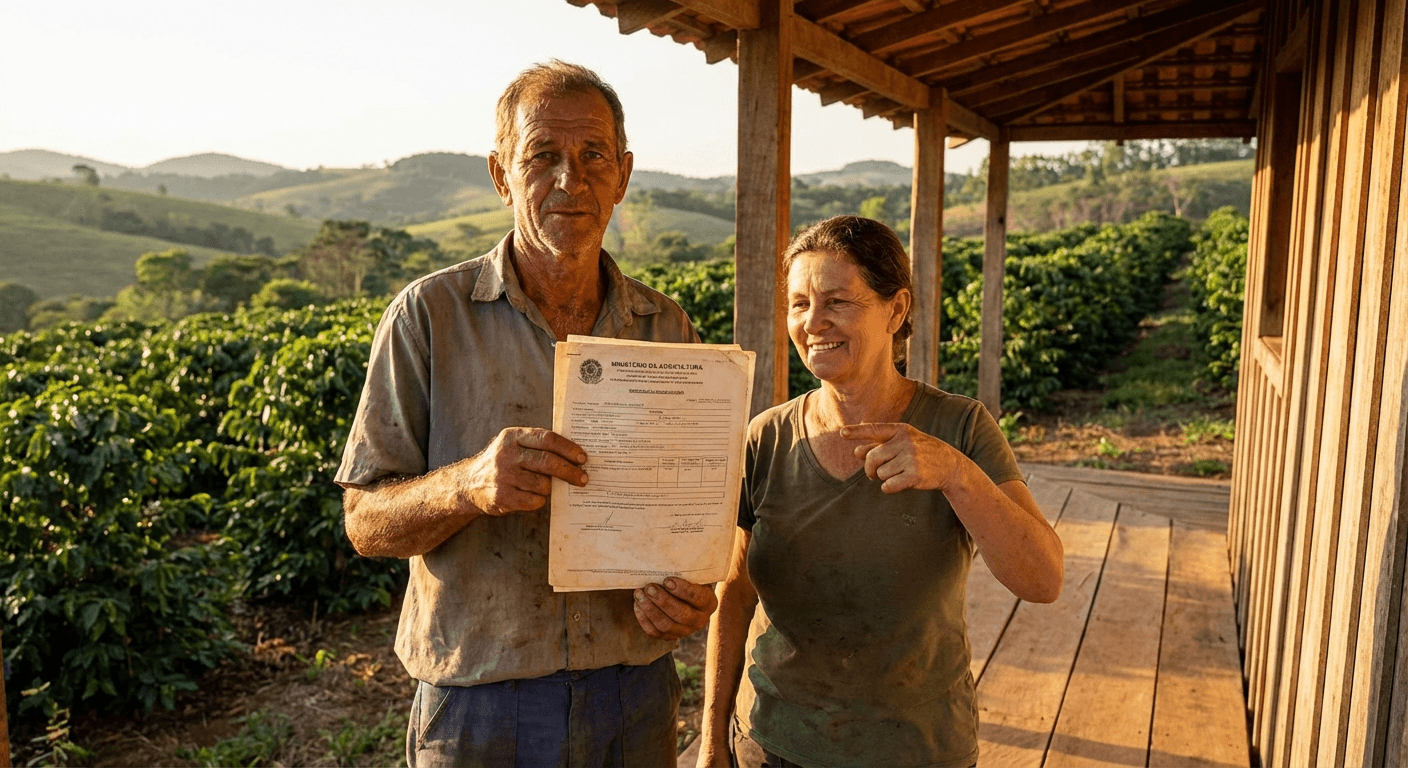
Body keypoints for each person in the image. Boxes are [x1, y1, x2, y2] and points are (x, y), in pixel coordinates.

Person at [336, 60, 719, 768]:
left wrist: (688, 595)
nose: (570, 181)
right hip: (480, 698)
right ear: (500, 175)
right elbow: (364, 522)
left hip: (632, 692)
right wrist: (467, 485)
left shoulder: (665, 327)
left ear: (624, 174)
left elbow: (684, 518)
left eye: (592, 156)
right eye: (542, 156)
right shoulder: (427, 317)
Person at [697, 216, 1065, 768]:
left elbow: (1042, 579)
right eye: (799, 304)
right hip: (773, 745)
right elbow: (735, 596)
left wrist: (957, 474)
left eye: (837, 301)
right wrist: (710, 743)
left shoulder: (961, 427)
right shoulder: (766, 437)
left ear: (895, 310)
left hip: (917, 749)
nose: (813, 322)